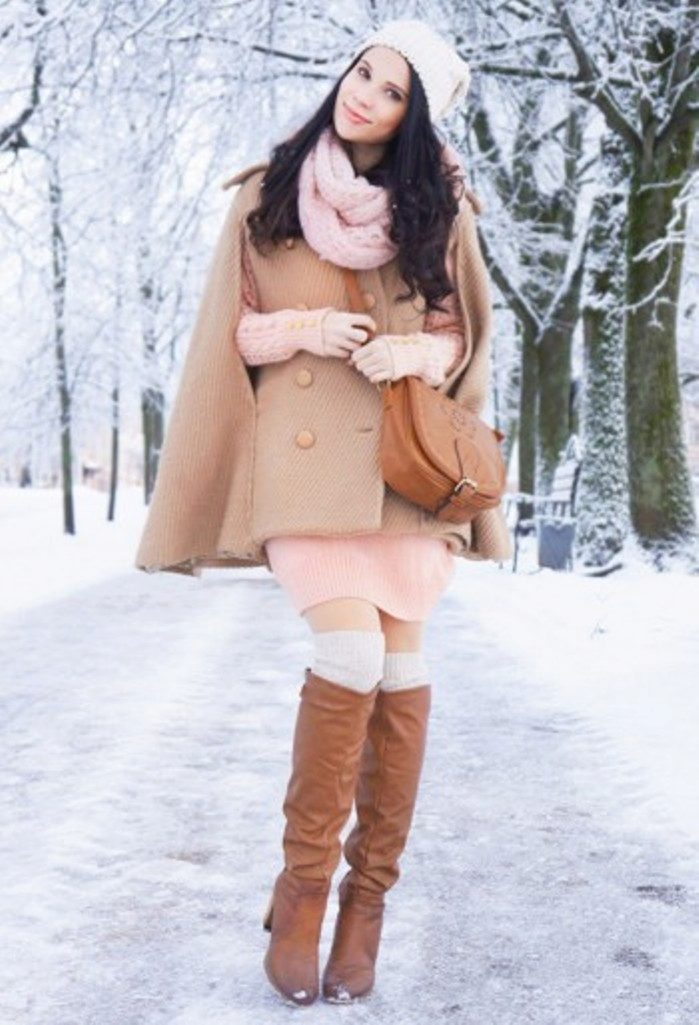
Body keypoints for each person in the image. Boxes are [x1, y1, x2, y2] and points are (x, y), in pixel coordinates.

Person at [135, 16, 512, 1007]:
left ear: (413, 116)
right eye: (362, 72)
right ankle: (303, 890)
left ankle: (365, 903)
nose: (364, 96)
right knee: (348, 655)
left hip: (401, 471)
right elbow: (228, 331)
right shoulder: (268, 191)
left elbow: (462, 332)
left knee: (404, 672)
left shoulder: (440, 205)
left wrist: (416, 351)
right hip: (304, 470)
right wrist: (303, 327)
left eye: (391, 91)